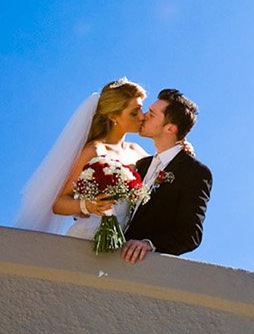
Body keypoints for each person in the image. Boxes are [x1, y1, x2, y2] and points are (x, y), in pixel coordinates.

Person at [14, 79, 147, 239]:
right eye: (134, 112)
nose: (142, 116)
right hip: (90, 237)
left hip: (126, 240)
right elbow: (58, 204)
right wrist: (87, 206)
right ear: (113, 116)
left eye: (142, 110)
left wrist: (183, 148)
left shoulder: (137, 151)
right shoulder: (95, 151)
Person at [120, 89, 211, 264]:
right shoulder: (141, 164)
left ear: (170, 128)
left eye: (152, 115)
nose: (143, 116)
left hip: (140, 267)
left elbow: (190, 234)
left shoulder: (195, 172)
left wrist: (149, 244)